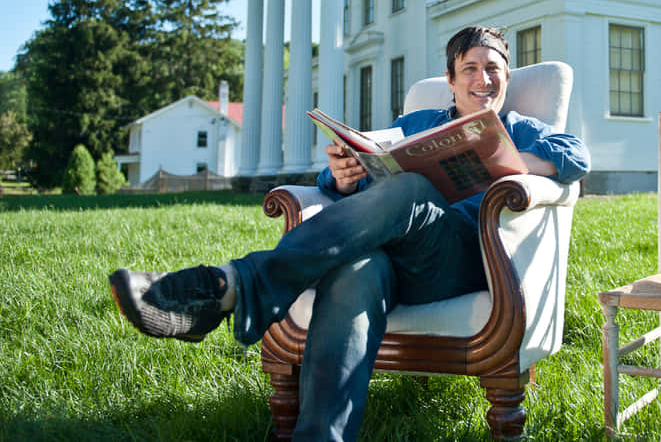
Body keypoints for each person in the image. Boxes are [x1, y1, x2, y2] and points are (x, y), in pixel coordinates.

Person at [109, 26, 589, 441]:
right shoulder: (416, 124)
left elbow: (576, 157)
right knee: (357, 267)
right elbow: (349, 175)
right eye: (471, 69)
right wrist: (341, 177)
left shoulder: (521, 128)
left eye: (494, 69)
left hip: (458, 260)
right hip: (389, 258)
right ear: (451, 79)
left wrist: (506, 164)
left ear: (507, 77)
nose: (484, 79)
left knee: (412, 188)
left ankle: (230, 286)